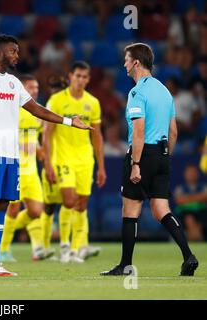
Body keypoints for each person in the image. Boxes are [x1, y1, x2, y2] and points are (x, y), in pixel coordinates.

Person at [0, 34, 92, 277]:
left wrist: (70, 121)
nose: (17, 55)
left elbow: (36, 109)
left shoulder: (13, 83)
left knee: (3, 204)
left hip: (11, 154)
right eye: (13, 51)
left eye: (17, 51)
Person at [101, 43, 198, 276]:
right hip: (163, 154)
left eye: (126, 59)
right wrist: (164, 158)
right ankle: (188, 256)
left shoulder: (137, 92)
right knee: (161, 208)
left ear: (135, 62)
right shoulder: (165, 91)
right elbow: (173, 131)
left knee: (130, 209)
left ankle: (125, 265)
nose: (124, 64)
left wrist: (136, 164)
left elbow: (138, 131)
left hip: (142, 154)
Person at [43, 61, 106, 263]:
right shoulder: (56, 100)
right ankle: (64, 246)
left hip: (85, 159)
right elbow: (47, 134)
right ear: (70, 76)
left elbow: (97, 136)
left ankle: (78, 248)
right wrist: (48, 163)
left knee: (81, 205)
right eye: (77, 75)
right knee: (69, 201)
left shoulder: (93, 102)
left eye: (85, 77)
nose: (81, 80)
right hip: (63, 157)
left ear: (88, 79)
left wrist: (101, 166)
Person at [0, 74, 52, 262]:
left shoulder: (37, 113)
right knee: (12, 209)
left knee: (36, 211)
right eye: (30, 87)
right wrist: (20, 146)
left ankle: (7, 237)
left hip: (31, 171)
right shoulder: (11, 110)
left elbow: (33, 140)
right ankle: (3, 249)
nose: (35, 90)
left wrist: (40, 152)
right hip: (13, 168)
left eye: (36, 87)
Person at [174, 164, 207, 241]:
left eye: (193, 172)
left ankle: (193, 237)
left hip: (202, 212)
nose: (191, 175)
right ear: (185, 175)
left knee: (200, 221)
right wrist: (198, 197)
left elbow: (205, 197)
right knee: (189, 218)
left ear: (197, 174)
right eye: (189, 173)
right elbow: (179, 200)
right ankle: (196, 238)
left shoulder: (204, 186)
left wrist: (188, 198)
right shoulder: (180, 188)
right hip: (185, 213)